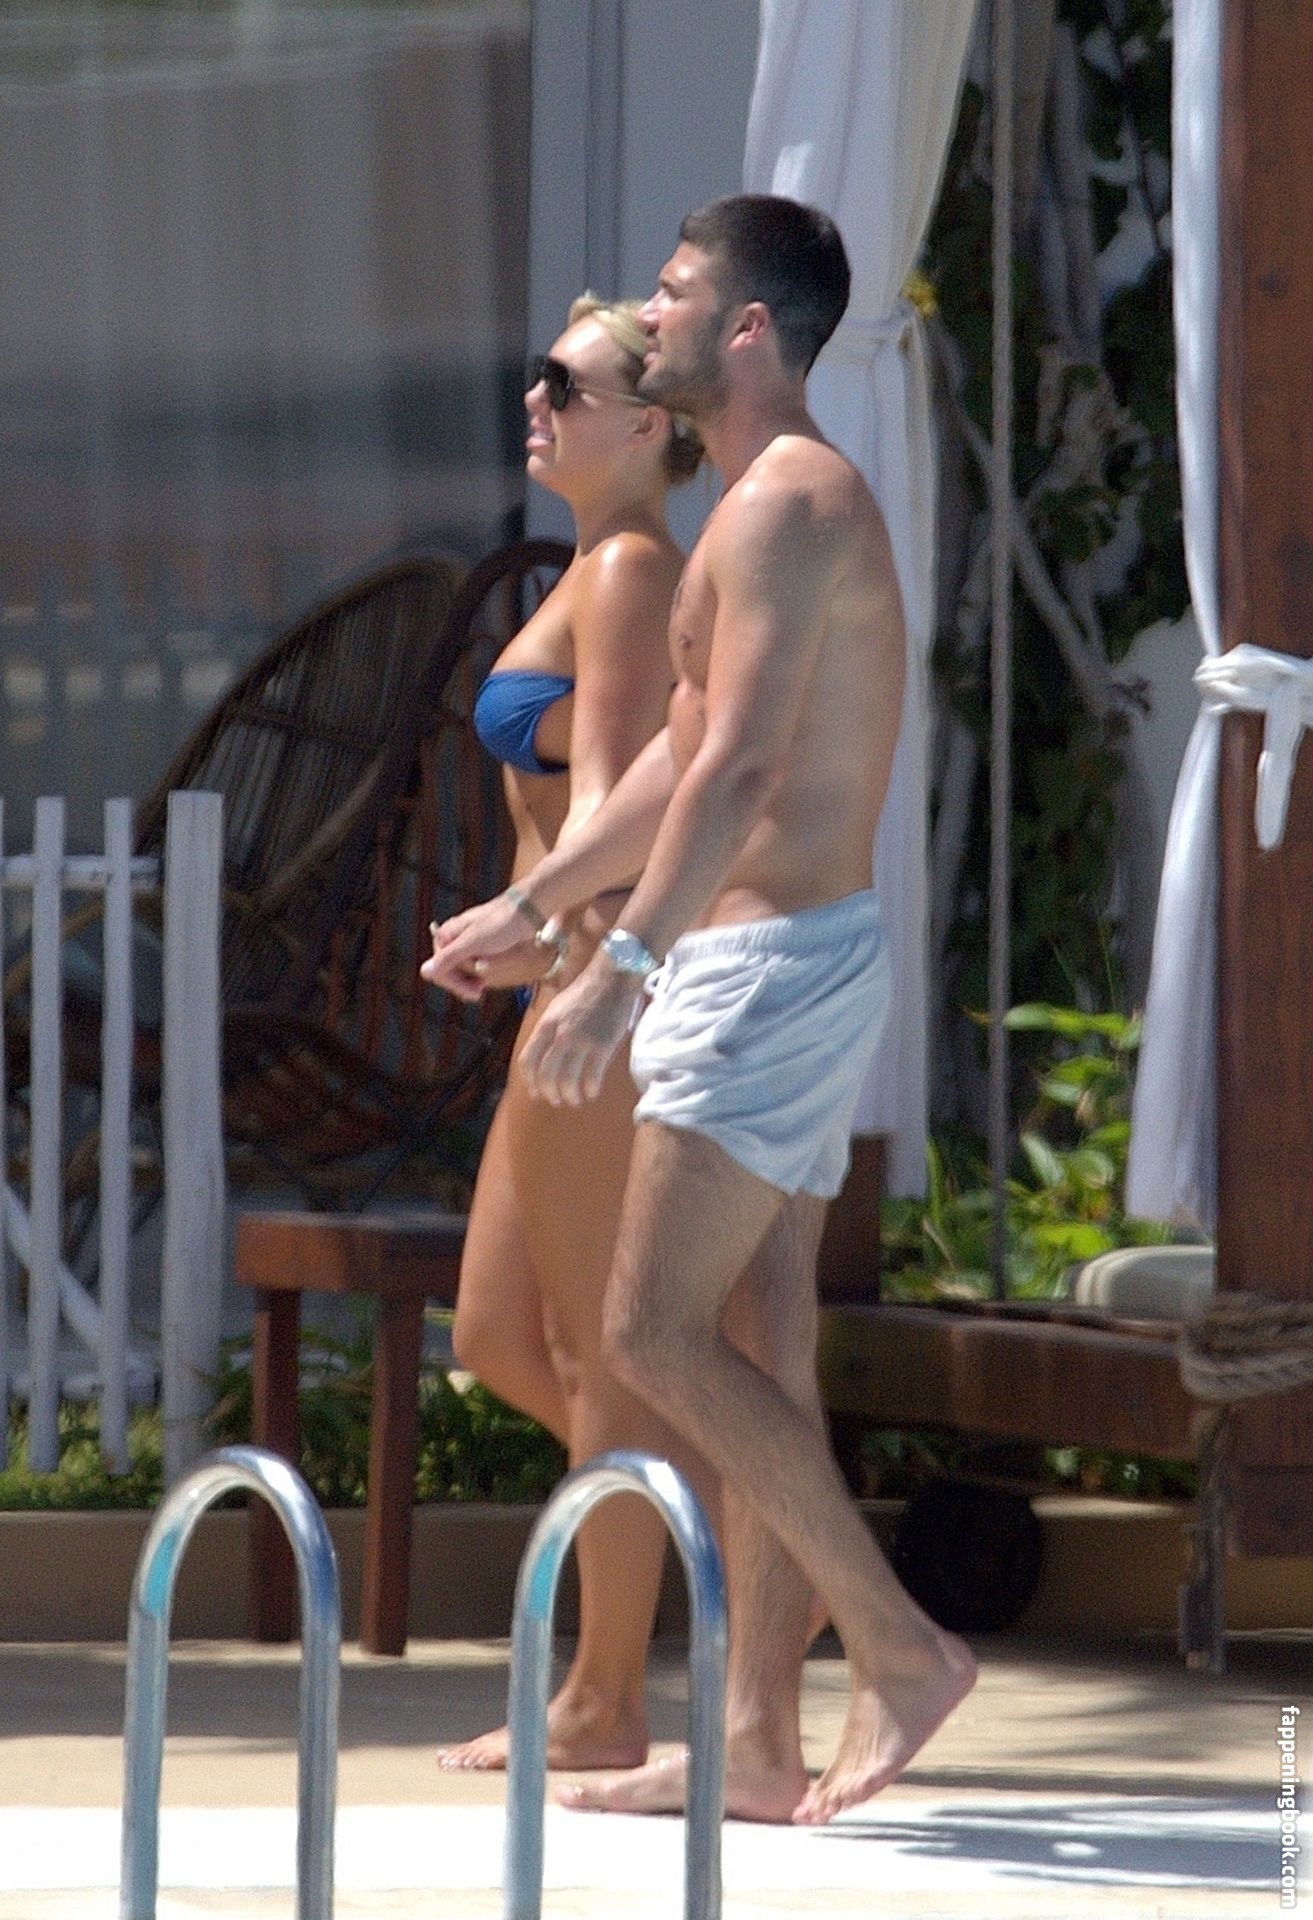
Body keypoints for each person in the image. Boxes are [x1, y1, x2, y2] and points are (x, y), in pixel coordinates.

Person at [427, 194, 977, 1826]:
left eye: (672, 295)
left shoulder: (788, 500)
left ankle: (898, 1647)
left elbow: (736, 770)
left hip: (763, 970)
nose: (647, 314)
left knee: (649, 1334)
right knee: (756, 1342)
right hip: (779, 962)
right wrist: (537, 905)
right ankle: (753, 1740)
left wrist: (624, 969)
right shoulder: (756, 508)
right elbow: (675, 755)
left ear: (745, 329)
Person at [428, 294, 712, 1773]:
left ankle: (604, 1699)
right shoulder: (601, 566)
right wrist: (522, 931)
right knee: (497, 1335)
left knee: (599, 1350)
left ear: (650, 423)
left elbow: (615, 805)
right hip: (563, 971)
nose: (533, 399)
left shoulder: (631, 572)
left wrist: (537, 928)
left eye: (565, 383)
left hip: (602, 989)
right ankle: (744, 1523)